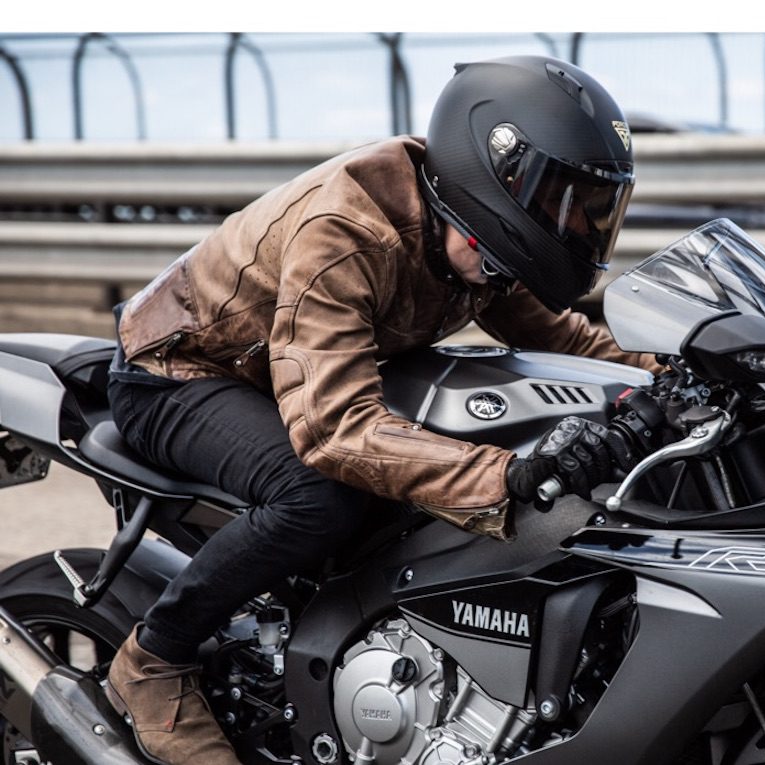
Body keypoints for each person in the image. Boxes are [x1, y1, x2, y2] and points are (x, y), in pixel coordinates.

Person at [103, 55, 659, 764]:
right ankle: (154, 655)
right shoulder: (347, 231)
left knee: (419, 481)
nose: (566, 221)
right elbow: (334, 429)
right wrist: (510, 473)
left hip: (285, 370)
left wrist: (679, 369)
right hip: (178, 372)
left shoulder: (480, 235)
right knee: (322, 495)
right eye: (557, 202)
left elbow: (565, 339)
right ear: (490, 177)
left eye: (578, 206)